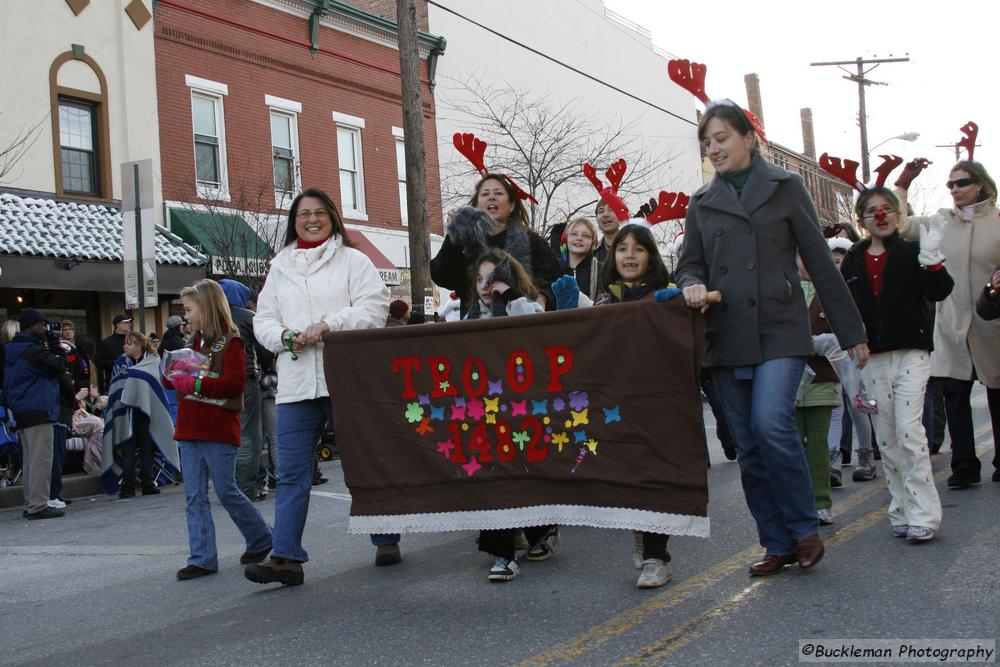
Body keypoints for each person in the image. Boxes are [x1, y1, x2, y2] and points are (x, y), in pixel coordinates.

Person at [676, 102, 868, 577]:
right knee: (748, 443)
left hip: (781, 329)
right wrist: (691, 284)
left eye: (721, 138)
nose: (714, 148)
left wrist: (852, 333)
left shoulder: (786, 188)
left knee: (771, 423)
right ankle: (775, 542)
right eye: (707, 142)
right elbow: (690, 263)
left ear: (747, 137)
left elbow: (820, 263)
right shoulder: (701, 202)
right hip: (726, 335)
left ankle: (804, 527)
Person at [247, 187, 388, 586]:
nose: (311, 220)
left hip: (344, 378)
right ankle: (286, 557)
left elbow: (373, 309)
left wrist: (329, 324)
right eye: (303, 214)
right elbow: (264, 321)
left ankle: (386, 535)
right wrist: (286, 337)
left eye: (319, 213)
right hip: (294, 385)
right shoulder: (280, 268)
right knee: (291, 474)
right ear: (294, 221)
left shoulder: (354, 261)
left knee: (362, 463)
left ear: (332, 217)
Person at [841, 186, 954, 541]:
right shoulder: (854, 258)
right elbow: (844, 305)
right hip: (870, 358)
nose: (881, 215)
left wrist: (933, 261)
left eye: (887, 208)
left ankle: (924, 514)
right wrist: (851, 339)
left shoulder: (912, 250)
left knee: (909, 431)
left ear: (898, 213)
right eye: (873, 210)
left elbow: (938, 290)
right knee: (886, 437)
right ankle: (901, 507)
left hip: (911, 352)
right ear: (862, 220)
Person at [897, 160, 1000, 487]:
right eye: (951, 184)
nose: (956, 189)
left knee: (998, 394)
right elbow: (901, 227)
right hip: (952, 324)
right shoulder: (939, 221)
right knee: (955, 395)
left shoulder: (998, 222)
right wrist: (902, 183)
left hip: (992, 324)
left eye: (963, 183)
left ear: (980, 185)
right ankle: (965, 465)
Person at [164, 279, 273, 580]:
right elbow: (177, 380)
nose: (185, 316)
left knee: (227, 491)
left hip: (217, 427)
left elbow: (234, 384)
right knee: (193, 496)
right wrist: (172, 376)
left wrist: (194, 382)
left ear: (207, 307)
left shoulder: (229, 341)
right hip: (189, 427)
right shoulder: (191, 344)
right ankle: (201, 557)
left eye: (189, 309)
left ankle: (263, 537)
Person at [464, 247, 556, 582]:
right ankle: (502, 555)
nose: (486, 285)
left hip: (522, 413)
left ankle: (540, 529)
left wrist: (510, 295)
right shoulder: (470, 319)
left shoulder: (526, 306)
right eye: (479, 279)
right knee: (493, 481)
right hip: (485, 416)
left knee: (524, 476)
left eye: (493, 278)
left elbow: (535, 329)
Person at [593, 224, 676, 589]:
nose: (629, 255)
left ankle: (657, 557)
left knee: (653, 476)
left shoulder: (667, 297)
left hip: (656, 402)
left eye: (639, 249)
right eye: (622, 248)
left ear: (651, 257)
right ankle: (642, 531)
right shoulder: (602, 302)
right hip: (613, 404)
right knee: (628, 478)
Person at [430, 178, 563, 317]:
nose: (491, 197)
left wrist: (542, 299)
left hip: (523, 325)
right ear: (476, 206)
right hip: (478, 326)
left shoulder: (532, 242)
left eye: (498, 193)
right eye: (485, 194)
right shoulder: (465, 244)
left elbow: (556, 281)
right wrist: (454, 236)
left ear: (511, 205)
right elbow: (440, 275)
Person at [3, 309, 66, 519]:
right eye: (42, 324)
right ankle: (38, 505)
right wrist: (57, 346)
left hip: (22, 408)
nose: (45, 328)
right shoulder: (32, 351)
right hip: (39, 407)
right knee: (41, 459)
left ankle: (31, 501)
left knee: (31, 459)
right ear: (31, 325)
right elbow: (58, 366)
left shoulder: (12, 350)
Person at [825, 238, 875, 487]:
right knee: (835, 406)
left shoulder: (855, 284)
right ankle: (833, 458)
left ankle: (866, 455)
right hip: (831, 352)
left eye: (839, 260)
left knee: (858, 405)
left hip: (854, 351)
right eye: (831, 260)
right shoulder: (823, 286)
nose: (836, 265)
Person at [794, 257, 839, 526]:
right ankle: (800, 501)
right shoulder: (785, 289)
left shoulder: (830, 291)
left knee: (818, 445)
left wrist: (821, 343)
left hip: (822, 378)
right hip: (789, 379)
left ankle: (822, 501)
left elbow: (845, 332)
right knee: (794, 444)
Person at [103, 331, 175, 498]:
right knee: (127, 447)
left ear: (138, 346)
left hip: (148, 410)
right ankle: (128, 484)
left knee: (147, 447)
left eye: (129, 343)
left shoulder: (153, 361)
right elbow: (116, 386)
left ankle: (147, 482)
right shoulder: (120, 362)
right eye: (125, 343)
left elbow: (157, 387)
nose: (124, 346)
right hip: (125, 410)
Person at [220, 278, 265, 502]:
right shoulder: (248, 318)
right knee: (249, 436)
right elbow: (264, 350)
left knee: (226, 435)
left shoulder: (211, 319)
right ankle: (246, 488)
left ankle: (227, 486)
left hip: (216, 385)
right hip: (245, 381)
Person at [560, 217, 601, 302]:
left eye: (585, 235)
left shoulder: (601, 270)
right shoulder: (554, 268)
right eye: (574, 234)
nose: (579, 238)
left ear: (593, 242)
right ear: (566, 238)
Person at [97, 314, 132, 393]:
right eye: (126, 323)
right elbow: (99, 362)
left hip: (131, 382)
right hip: (113, 383)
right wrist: (118, 362)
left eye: (129, 323)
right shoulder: (106, 342)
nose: (129, 325)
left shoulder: (132, 341)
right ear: (118, 325)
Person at [60, 320, 92, 390]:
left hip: (82, 379)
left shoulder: (82, 345)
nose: (68, 331)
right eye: (65, 329)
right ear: (61, 332)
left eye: (70, 329)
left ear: (74, 331)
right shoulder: (59, 346)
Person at [593, 198, 621, 266]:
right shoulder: (592, 252)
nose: (605, 215)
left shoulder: (635, 246)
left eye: (611, 210)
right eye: (601, 211)